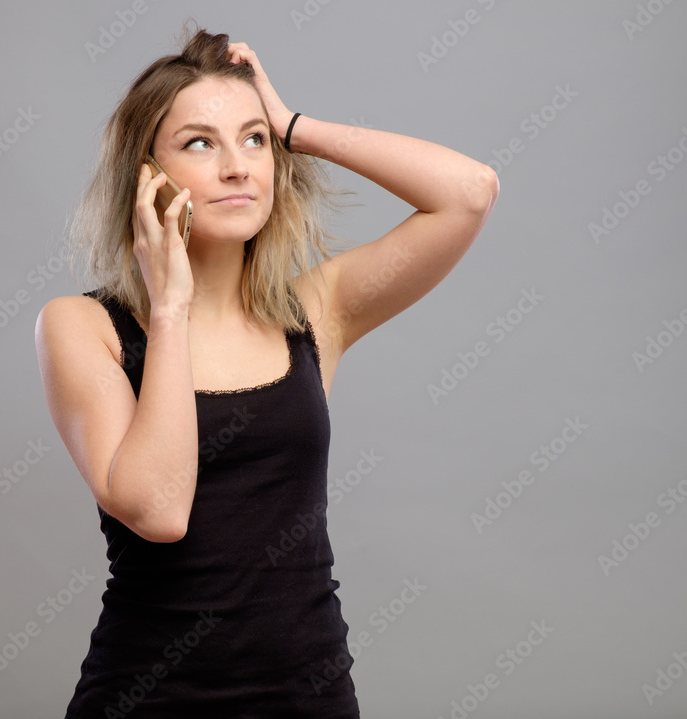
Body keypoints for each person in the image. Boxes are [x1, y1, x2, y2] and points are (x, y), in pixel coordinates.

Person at [35, 25, 497, 718]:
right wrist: (169, 310)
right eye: (200, 142)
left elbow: (469, 191)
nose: (237, 166)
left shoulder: (316, 312)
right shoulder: (83, 327)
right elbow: (159, 510)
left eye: (252, 141)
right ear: (146, 176)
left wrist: (293, 125)